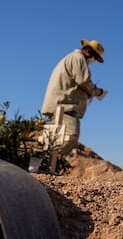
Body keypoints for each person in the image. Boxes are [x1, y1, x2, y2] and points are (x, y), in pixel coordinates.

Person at [37, 39, 108, 174]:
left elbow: (74, 83)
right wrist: (96, 92)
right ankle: (46, 164)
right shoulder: (78, 58)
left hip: (55, 103)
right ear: (89, 52)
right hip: (64, 105)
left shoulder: (70, 58)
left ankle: (41, 167)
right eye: (95, 57)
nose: (94, 61)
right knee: (72, 134)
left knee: (51, 139)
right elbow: (83, 81)